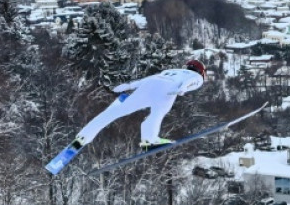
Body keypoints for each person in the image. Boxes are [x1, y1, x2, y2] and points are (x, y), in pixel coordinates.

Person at [70, 60, 206, 149]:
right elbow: (193, 81)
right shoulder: (197, 76)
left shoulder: (172, 70)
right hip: (167, 89)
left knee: (116, 111)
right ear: (201, 71)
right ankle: (149, 140)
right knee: (157, 113)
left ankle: (83, 136)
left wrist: (129, 85)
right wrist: (182, 88)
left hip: (149, 85)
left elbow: (150, 78)